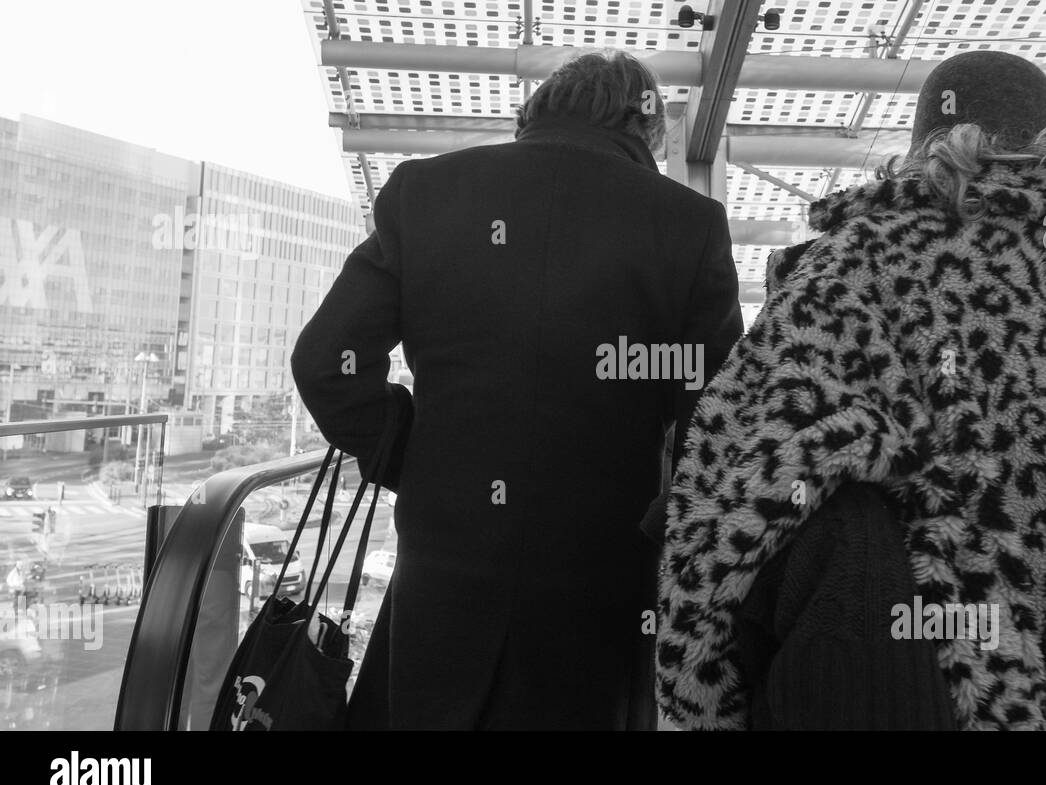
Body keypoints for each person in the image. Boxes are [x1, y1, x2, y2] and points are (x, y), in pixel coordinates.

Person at [656, 50, 1046, 730]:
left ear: (923, 144)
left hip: (938, 682)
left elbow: (728, 492)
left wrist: (699, 696)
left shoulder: (852, 271)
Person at [291, 50, 742, 730]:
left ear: (532, 113)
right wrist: (653, 530)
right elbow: (722, 431)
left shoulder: (426, 192)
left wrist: (419, 460)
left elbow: (328, 363)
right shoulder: (688, 225)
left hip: (439, 599)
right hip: (599, 612)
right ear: (646, 130)